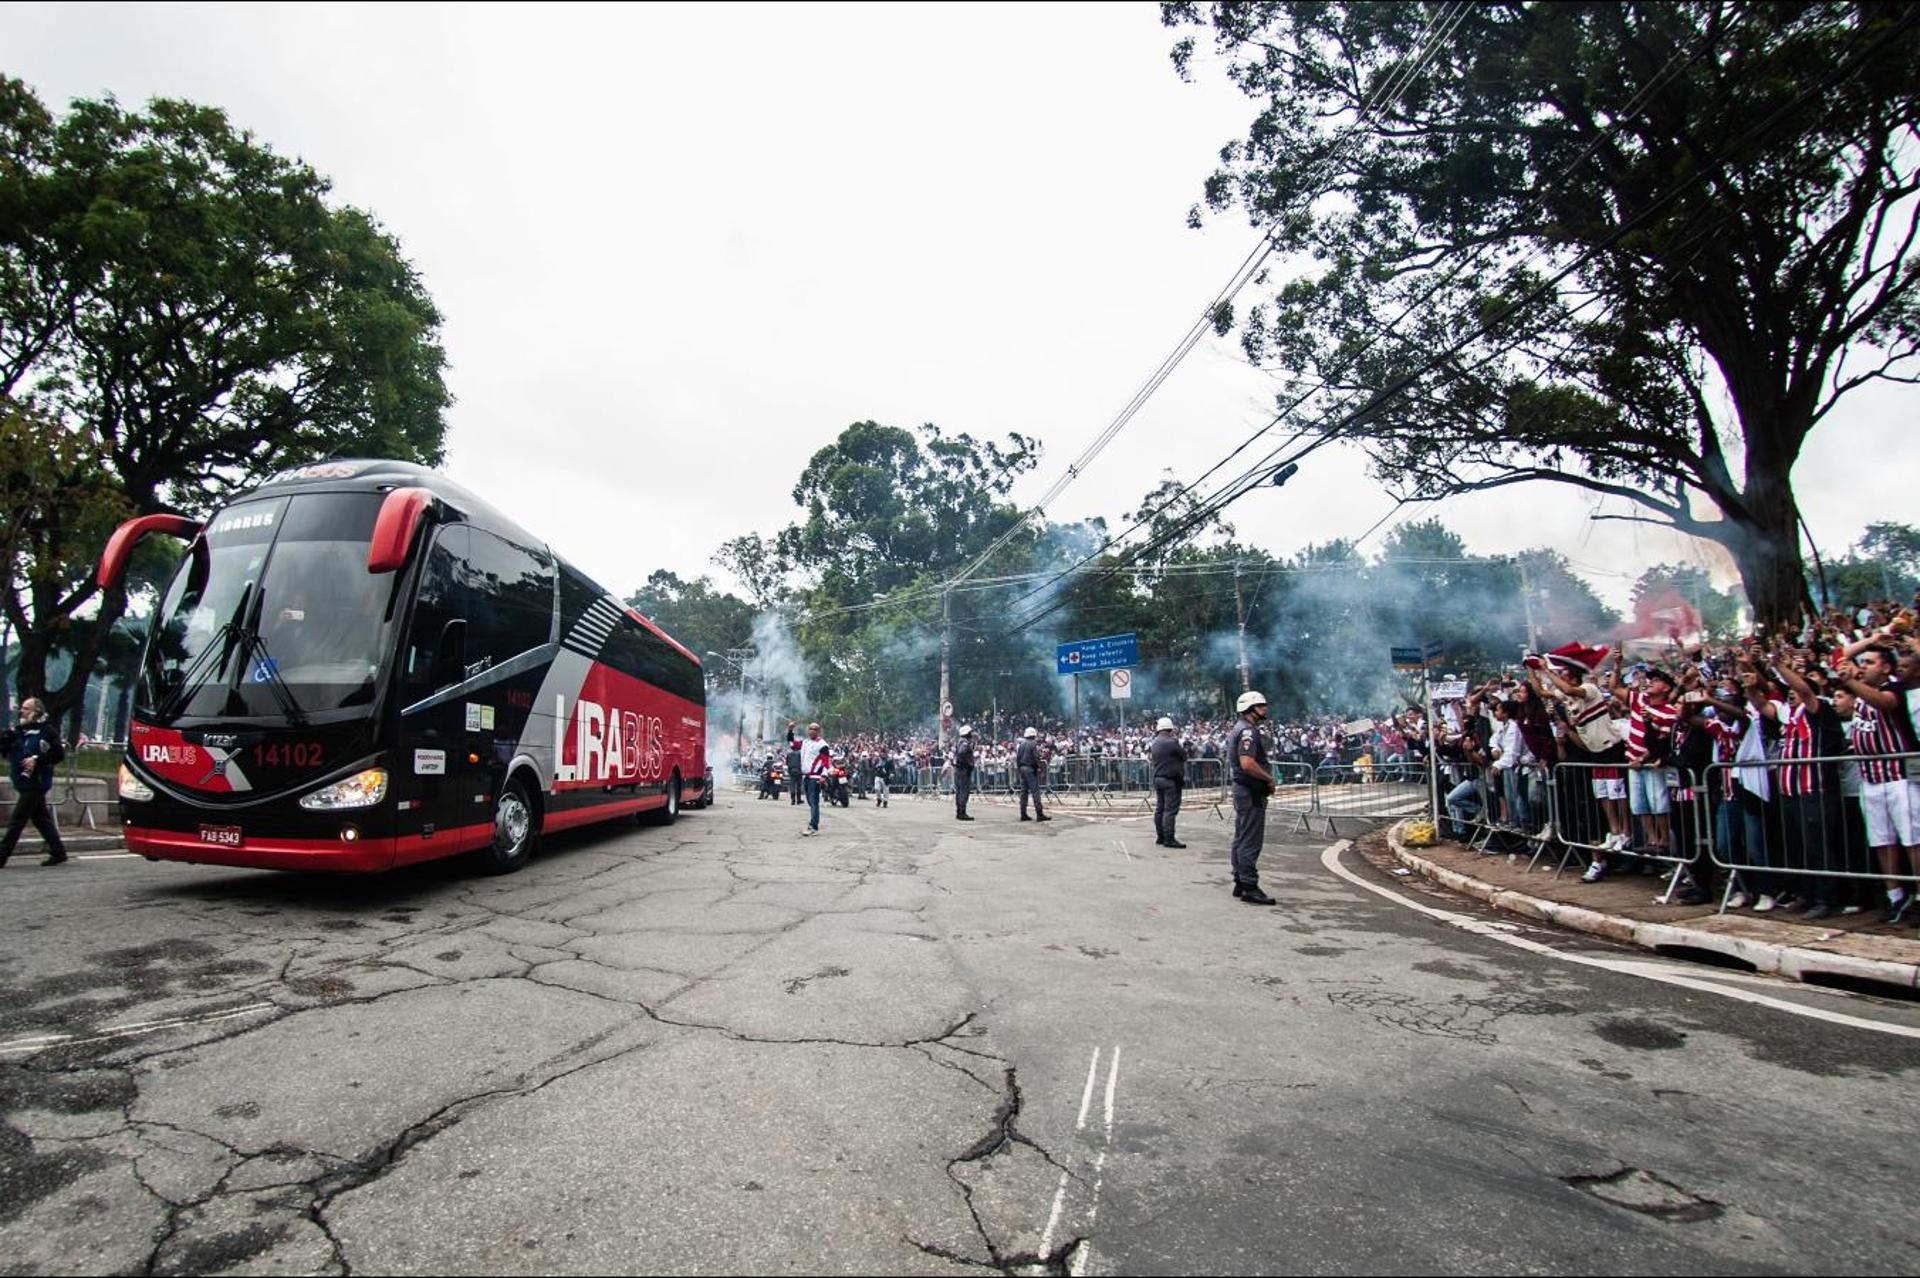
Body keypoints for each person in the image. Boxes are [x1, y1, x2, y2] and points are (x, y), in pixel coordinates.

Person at [2, 698, 69, 867]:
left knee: (17, 820)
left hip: (36, 783)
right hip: (22, 781)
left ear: (36, 712)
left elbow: (58, 754)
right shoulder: (19, 731)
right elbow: (7, 751)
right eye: (22, 708)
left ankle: (2, 855)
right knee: (41, 819)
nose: (21, 711)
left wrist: (37, 760)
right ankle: (58, 852)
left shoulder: (47, 731)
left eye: (26, 708)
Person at [1229, 690, 1277, 905]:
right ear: (1250, 709)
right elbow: (1247, 763)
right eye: (1261, 705)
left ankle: (1241, 881)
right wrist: (1268, 779)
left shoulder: (1243, 729)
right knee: (1250, 840)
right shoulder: (1247, 731)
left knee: (1241, 837)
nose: (1265, 709)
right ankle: (1249, 886)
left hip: (1244, 790)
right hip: (1250, 792)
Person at [1149, 716, 1188, 848]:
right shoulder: (1172, 743)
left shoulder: (1155, 743)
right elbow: (1184, 756)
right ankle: (1169, 838)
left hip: (1158, 778)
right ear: (1170, 729)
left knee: (1160, 808)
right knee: (1169, 810)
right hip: (1171, 780)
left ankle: (1161, 836)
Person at [798, 721, 831, 836]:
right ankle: (813, 824)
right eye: (810, 728)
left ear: (819, 731)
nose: (812, 730)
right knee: (810, 802)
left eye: (815, 729)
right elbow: (793, 745)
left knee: (814, 802)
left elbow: (826, 762)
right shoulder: (805, 742)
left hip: (815, 777)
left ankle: (813, 826)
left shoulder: (822, 745)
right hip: (806, 776)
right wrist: (790, 731)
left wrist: (823, 776)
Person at [1016, 727, 1049, 822]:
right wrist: (1040, 768)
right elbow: (1036, 757)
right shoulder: (1033, 744)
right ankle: (1039, 814)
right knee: (1035, 791)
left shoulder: (1021, 744)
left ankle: (1023, 814)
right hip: (1030, 769)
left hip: (1022, 768)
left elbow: (1018, 758)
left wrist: (1019, 769)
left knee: (1024, 792)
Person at [953, 726, 976, 821]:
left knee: (959, 791)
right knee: (963, 791)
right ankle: (962, 812)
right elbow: (962, 753)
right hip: (963, 769)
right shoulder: (965, 743)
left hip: (959, 769)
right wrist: (968, 763)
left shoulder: (959, 741)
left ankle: (959, 811)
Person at [786, 725, 804, 807]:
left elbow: (787, 763)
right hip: (799, 770)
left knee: (792, 785)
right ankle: (799, 799)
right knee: (799, 785)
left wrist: (790, 730)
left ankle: (793, 800)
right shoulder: (801, 753)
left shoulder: (789, 754)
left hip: (792, 770)